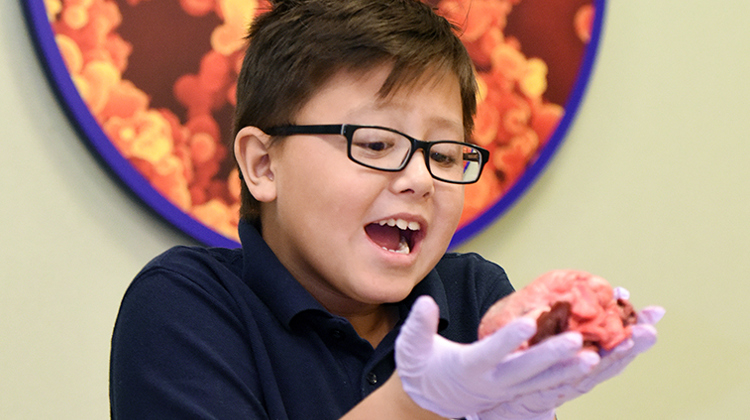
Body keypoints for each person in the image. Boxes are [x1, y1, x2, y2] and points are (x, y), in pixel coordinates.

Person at [109, 0, 663, 419]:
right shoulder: (185, 305)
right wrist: (416, 402)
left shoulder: (474, 298)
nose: (421, 178)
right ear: (263, 164)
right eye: (375, 145)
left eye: (445, 153)